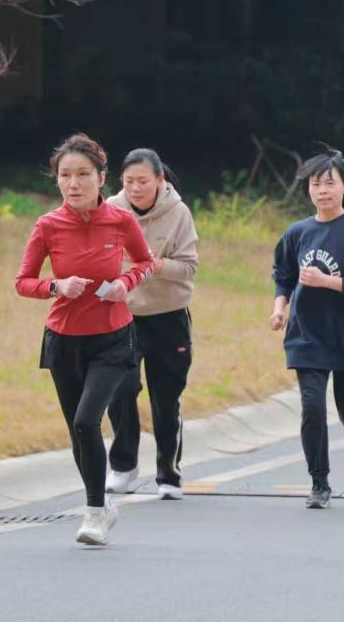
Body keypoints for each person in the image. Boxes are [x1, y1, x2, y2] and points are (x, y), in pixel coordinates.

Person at [15, 133, 154, 546]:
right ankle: (103, 505)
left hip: (112, 338)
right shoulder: (48, 225)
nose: (73, 184)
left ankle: (94, 513)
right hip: (64, 340)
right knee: (78, 431)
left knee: (85, 420)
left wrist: (125, 283)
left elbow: (145, 262)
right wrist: (55, 286)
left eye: (82, 175)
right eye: (65, 175)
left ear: (101, 177)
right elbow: (23, 282)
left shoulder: (121, 220)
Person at [270, 147, 344, 509]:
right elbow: (284, 275)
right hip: (307, 335)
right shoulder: (297, 233)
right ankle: (319, 483)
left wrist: (326, 282)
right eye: (315, 184)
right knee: (312, 408)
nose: (322, 190)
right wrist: (279, 309)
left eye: (330, 183)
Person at [104, 149, 199, 500]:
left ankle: (169, 474)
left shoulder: (178, 212)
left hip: (168, 315)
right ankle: (123, 467)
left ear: (160, 180)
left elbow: (189, 267)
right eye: (129, 181)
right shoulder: (110, 209)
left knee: (166, 396)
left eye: (143, 181)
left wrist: (155, 265)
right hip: (123, 315)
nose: (135, 188)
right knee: (120, 388)